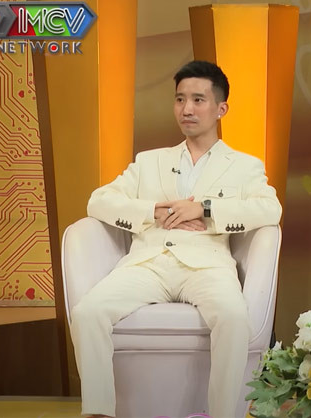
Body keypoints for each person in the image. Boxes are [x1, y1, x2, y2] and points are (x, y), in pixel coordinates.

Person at [70, 60, 282, 418]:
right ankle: (99, 412)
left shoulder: (244, 166)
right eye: (180, 99)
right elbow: (98, 201)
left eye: (198, 100)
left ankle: (222, 414)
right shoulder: (149, 161)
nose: (187, 109)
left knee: (233, 317)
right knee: (87, 313)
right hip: (148, 263)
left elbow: (269, 209)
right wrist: (152, 210)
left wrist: (205, 210)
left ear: (221, 109)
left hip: (207, 267)